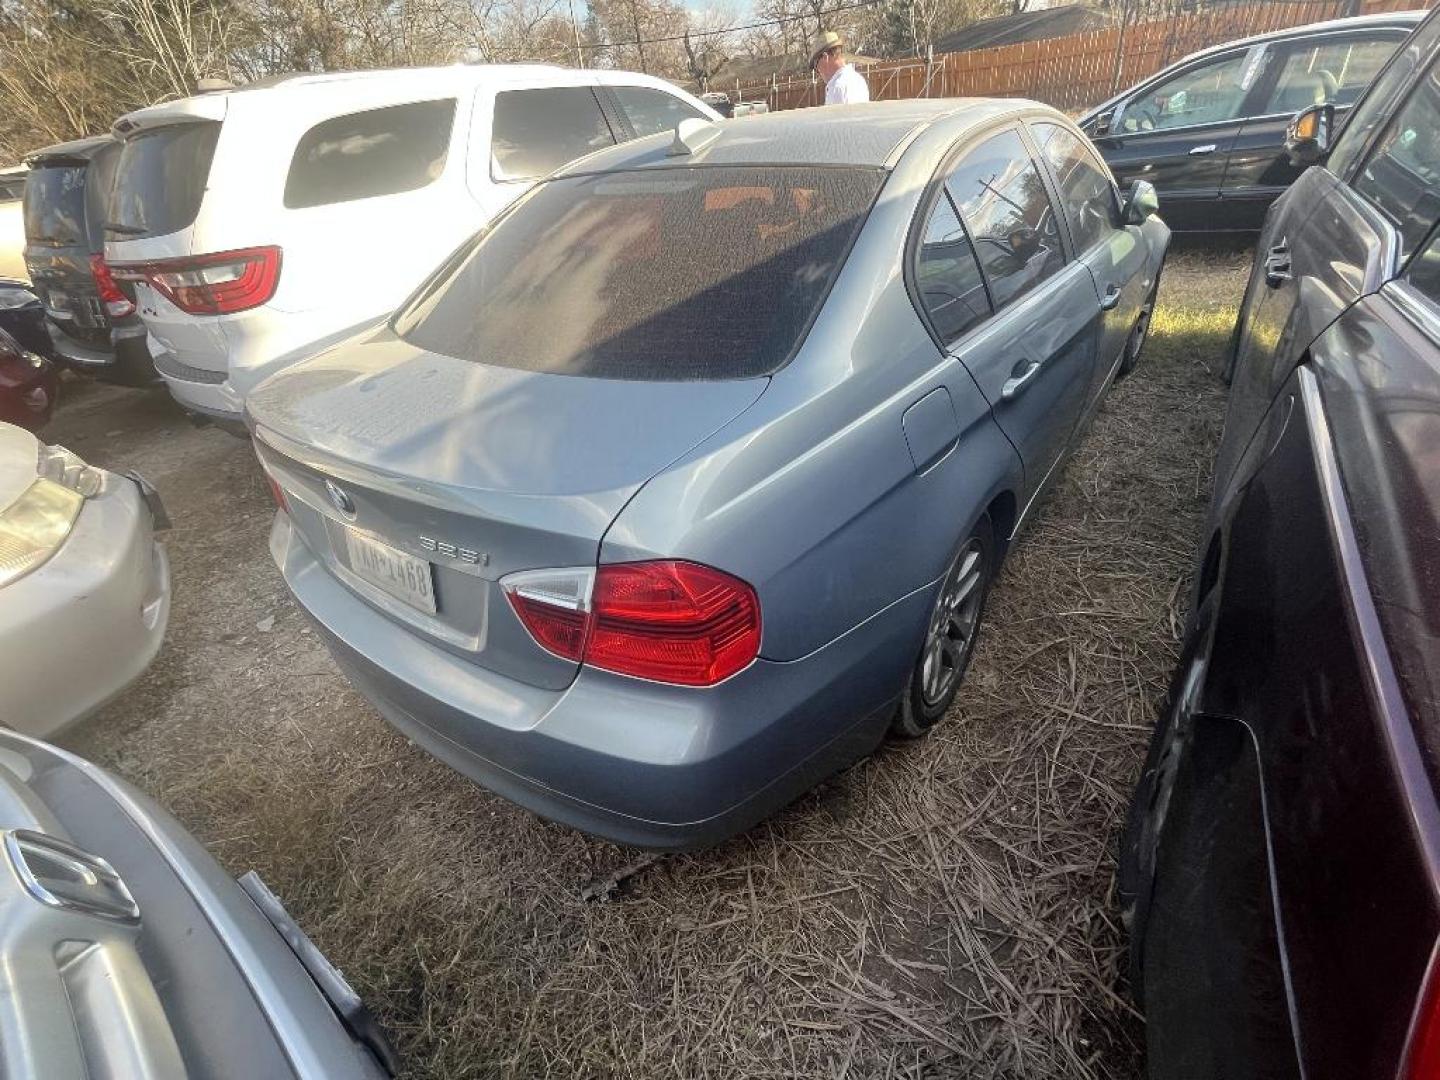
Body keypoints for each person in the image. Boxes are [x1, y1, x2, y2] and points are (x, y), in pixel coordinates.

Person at [811, 31, 869, 105]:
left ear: (825, 57)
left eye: (816, 65)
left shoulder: (837, 88)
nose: (818, 71)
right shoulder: (859, 80)